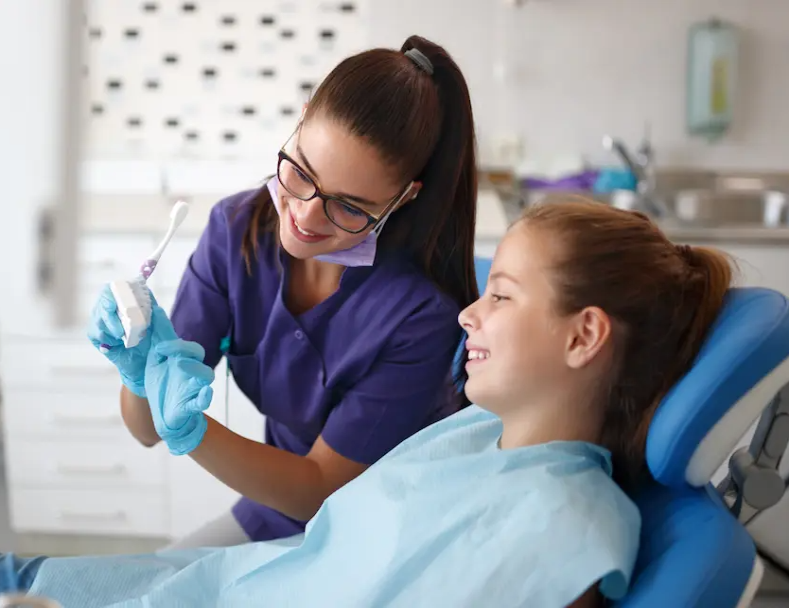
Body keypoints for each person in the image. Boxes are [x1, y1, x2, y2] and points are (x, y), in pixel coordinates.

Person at [4, 197, 733, 607]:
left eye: (501, 296)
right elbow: (328, 553)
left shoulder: (569, 525)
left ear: (584, 336)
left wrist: (192, 433)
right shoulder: (470, 435)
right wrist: (142, 379)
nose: (467, 314)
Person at [87, 35, 479, 548]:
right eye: (301, 171)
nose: (305, 216)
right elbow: (145, 431)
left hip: (386, 532)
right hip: (276, 512)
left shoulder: (418, 314)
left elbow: (320, 488)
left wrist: (193, 432)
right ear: (300, 121)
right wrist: (139, 372)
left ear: (403, 197)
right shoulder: (237, 231)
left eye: (349, 206)